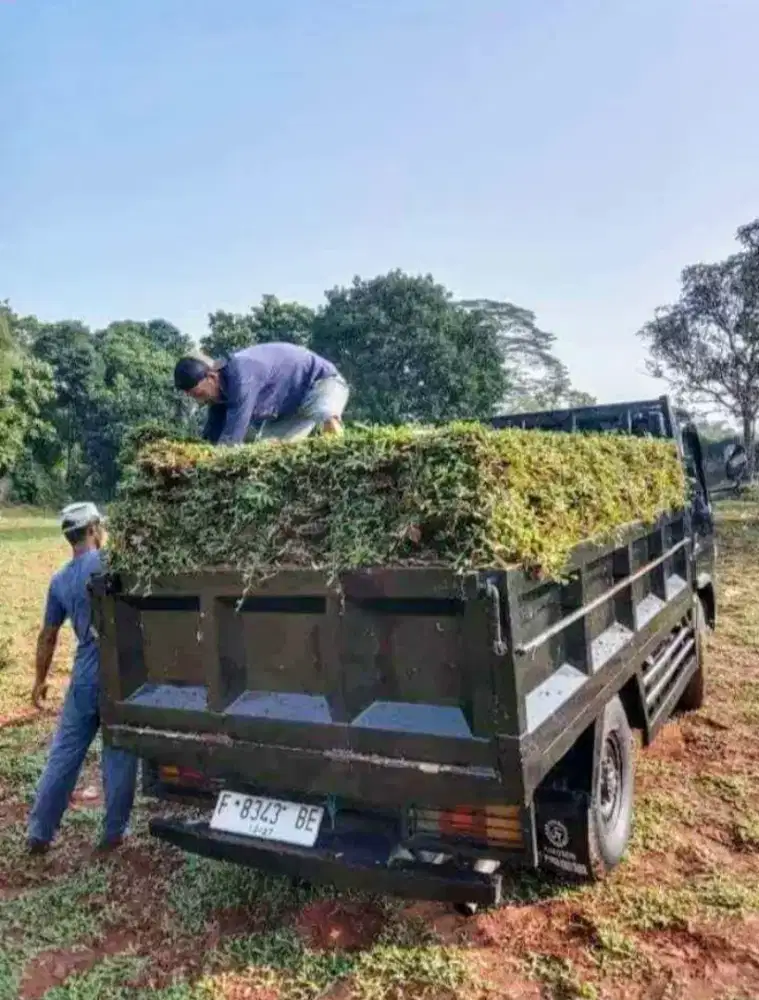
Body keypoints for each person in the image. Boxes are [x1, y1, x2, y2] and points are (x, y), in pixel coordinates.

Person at [27, 502, 137, 855]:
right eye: (99, 527)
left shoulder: (60, 580)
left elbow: (48, 635)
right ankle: (113, 832)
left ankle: (39, 831)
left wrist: (39, 680)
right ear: (92, 530)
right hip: (119, 671)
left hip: (84, 674)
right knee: (119, 750)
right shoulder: (113, 563)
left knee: (64, 752)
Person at [173, 342, 349, 445]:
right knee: (267, 452)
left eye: (198, 393)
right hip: (290, 408)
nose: (199, 400)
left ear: (211, 377)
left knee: (326, 414)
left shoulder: (242, 376)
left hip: (320, 382)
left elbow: (232, 438)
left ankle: (342, 463)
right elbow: (211, 438)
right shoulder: (219, 396)